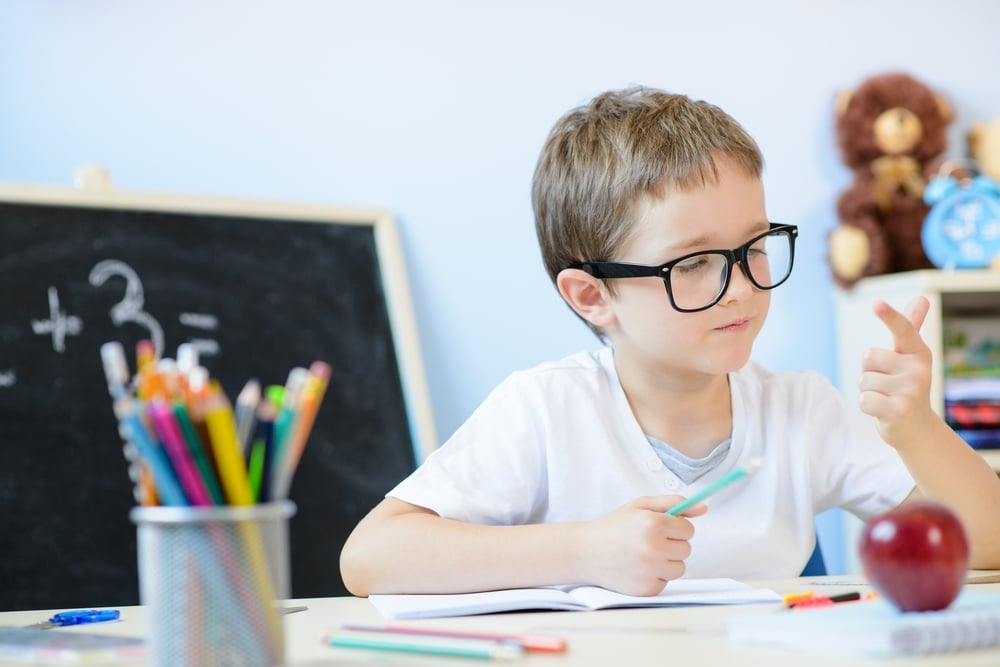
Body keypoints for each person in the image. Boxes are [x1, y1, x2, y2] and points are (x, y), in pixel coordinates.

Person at [340, 86, 1000, 597]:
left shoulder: (802, 412)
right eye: (691, 264)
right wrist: (582, 551)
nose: (739, 287)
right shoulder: (545, 410)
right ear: (593, 296)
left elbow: (988, 542)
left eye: (753, 247)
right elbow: (370, 556)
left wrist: (916, 427)